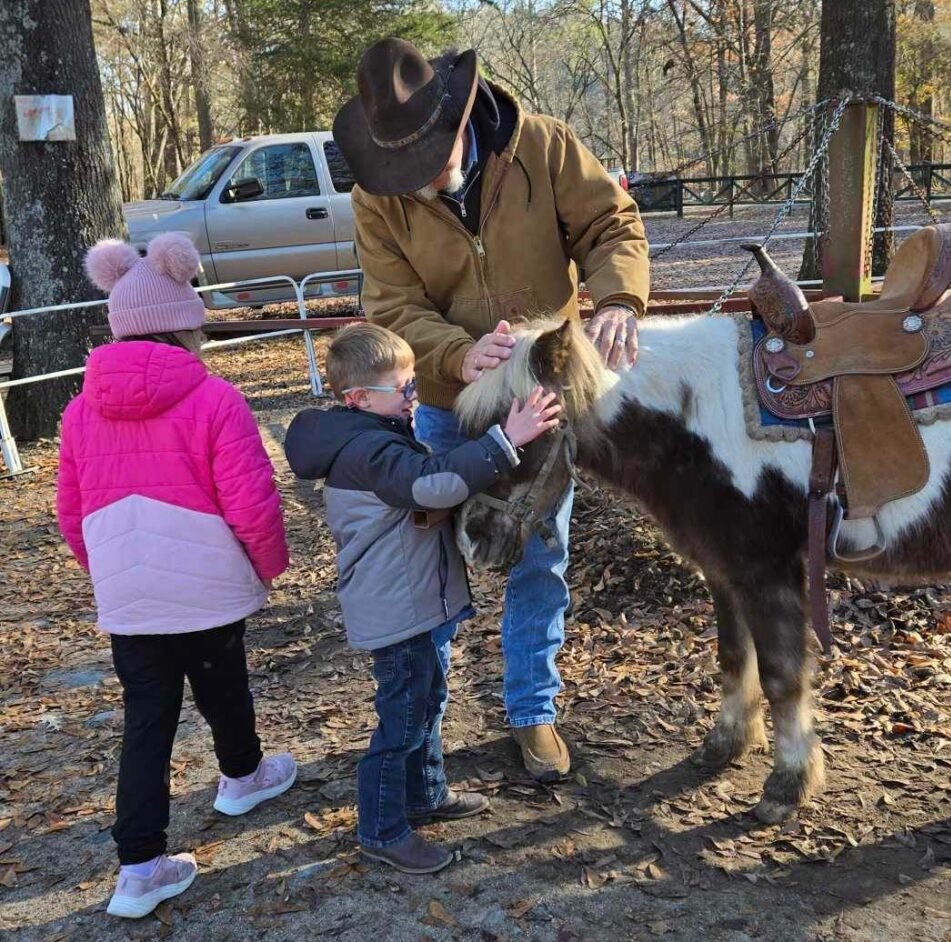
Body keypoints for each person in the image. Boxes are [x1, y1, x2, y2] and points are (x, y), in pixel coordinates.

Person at [333, 37, 650, 781]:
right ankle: (425, 720)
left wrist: (616, 299)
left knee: (539, 554)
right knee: (432, 563)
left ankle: (533, 711)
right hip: (446, 400)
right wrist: (453, 354)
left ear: (458, 117)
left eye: (430, 162)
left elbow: (612, 225)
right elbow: (391, 304)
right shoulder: (375, 195)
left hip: (540, 393)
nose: (421, 180)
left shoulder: (542, 146)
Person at [56, 233, 295, 918]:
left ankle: (137, 867)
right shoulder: (216, 399)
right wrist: (267, 565)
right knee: (224, 686)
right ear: (184, 323)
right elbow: (251, 500)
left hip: (128, 595)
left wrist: (108, 569)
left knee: (147, 720)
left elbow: (72, 511)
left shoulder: (78, 411)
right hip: (207, 585)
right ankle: (242, 775)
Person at [284, 323, 561, 873]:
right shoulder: (367, 448)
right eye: (403, 388)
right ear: (359, 398)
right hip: (397, 611)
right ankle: (382, 830)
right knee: (402, 721)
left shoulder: (373, 432)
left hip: (411, 602)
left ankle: (426, 793)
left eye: (413, 384)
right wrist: (506, 440)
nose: (413, 396)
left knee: (428, 701)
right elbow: (431, 484)